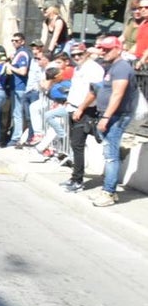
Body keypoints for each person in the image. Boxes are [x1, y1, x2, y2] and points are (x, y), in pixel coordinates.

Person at [80, 35, 136, 207]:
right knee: (109, 153)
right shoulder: (112, 66)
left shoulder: (121, 68)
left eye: (107, 49)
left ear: (118, 49)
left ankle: (109, 192)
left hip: (117, 116)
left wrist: (106, 117)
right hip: (111, 115)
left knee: (111, 156)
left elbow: (118, 94)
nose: (103, 52)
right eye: (102, 49)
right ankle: (109, 190)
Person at [62, 44, 105, 194]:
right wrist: (69, 102)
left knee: (78, 145)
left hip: (85, 111)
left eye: (79, 54)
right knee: (74, 145)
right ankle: (74, 177)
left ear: (86, 53)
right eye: (73, 55)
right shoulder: (78, 68)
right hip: (73, 108)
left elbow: (93, 92)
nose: (76, 57)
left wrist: (81, 108)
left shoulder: (94, 69)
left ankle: (78, 181)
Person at [5, 32, 33, 147]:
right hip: (15, 86)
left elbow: (23, 71)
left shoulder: (23, 53)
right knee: (16, 113)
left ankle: (16, 137)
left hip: (20, 87)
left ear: (22, 42)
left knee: (18, 114)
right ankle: (16, 135)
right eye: (12, 40)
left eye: (16, 41)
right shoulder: (18, 53)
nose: (14, 43)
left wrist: (10, 67)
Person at [120, 0, 148, 70]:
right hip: (137, 59)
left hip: (144, 62)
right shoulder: (143, 24)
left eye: (146, 7)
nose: (143, 10)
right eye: (141, 7)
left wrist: (142, 60)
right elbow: (139, 43)